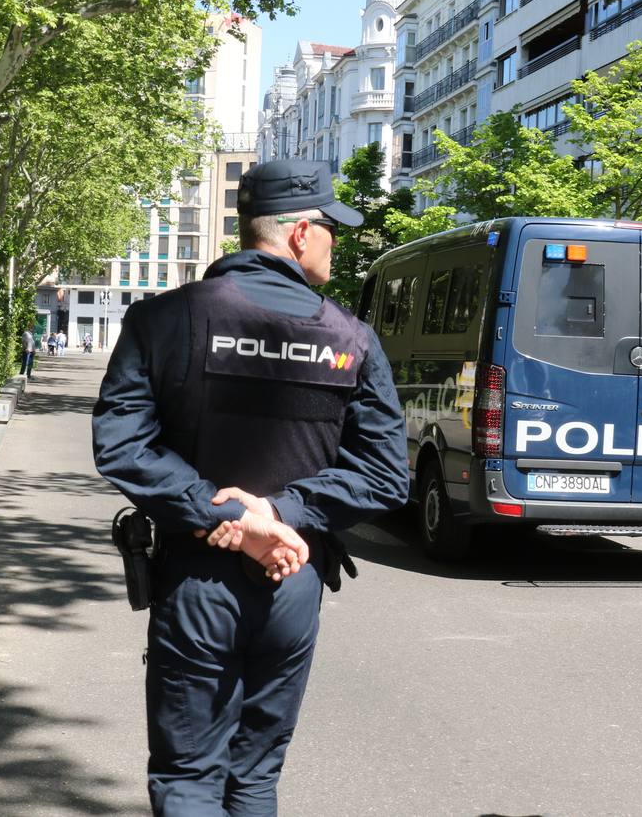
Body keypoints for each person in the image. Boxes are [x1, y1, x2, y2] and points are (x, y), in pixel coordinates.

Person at [92, 159, 409, 815]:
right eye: (330, 228)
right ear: (298, 234)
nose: (334, 242)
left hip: (196, 578)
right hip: (293, 577)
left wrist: (234, 515)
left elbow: (122, 445)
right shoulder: (351, 338)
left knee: (188, 777)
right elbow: (384, 473)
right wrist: (282, 514)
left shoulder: (164, 320)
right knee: (255, 778)